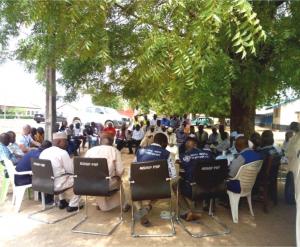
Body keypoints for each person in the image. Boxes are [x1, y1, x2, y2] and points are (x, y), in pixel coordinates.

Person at [134, 133, 176, 227]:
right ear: (163, 142)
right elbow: (173, 175)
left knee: (132, 183)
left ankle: (141, 209)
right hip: (158, 189)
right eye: (166, 143)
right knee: (169, 183)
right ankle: (148, 206)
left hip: (139, 188)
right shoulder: (167, 154)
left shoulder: (140, 151)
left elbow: (133, 169)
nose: (166, 145)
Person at [39, 132, 81, 212]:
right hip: (56, 185)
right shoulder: (63, 153)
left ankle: (62, 201)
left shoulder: (44, 152)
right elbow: (71, 171)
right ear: (59, 141)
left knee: (61, 175)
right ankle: (73, 205)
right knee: (80, 178)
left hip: (43, 184)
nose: (67, 143)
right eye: (65, 141)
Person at [175, 137, 215, 221]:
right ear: (196, 145)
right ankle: (198, 210)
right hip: (211, 188)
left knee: (176, 184)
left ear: (186, 147)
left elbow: (182, 172)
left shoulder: (184, 156)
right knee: (201, 179)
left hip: (192, 190)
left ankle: (186, 211)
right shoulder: (209, 154)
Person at [85, 132, 126, 211]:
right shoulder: (115, 151)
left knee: (105, 178)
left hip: (89, 183)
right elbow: (120, 170)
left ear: (100, 141)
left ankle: (99, 202)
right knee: (119, 181)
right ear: (112, 142)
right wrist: (118, 177)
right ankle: (123, 205)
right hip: (107, 183)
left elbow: (85, 168)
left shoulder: (90, 150)